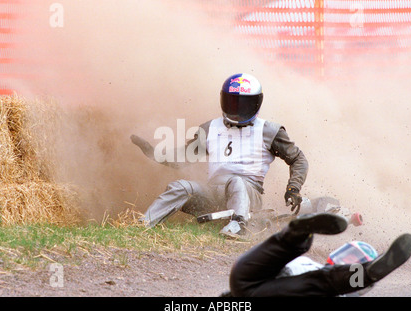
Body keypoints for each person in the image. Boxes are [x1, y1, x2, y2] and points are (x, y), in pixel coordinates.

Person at [131, 73, 308, 237]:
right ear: (223, 100)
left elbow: (298, 159)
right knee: (180, 186)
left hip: (249, 193)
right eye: (233, 103)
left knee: (235, 180)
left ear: (256, 103)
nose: (238, 110)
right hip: (213, 194)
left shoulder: (270, 130)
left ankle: (239, 225)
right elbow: (183, 158)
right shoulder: (210, 128)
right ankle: (143, 224)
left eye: (244, 104)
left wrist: (293, 188)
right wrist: (155, 154)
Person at [224, 212, 411, 297]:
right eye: (347, 256)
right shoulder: (315, 270)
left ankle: (297, 234)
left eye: (350, 262)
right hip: (251, 286)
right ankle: (298, 233)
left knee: (325, 281)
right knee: (325, 280)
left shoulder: (321, 276)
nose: (343, 262)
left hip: (245, 283)